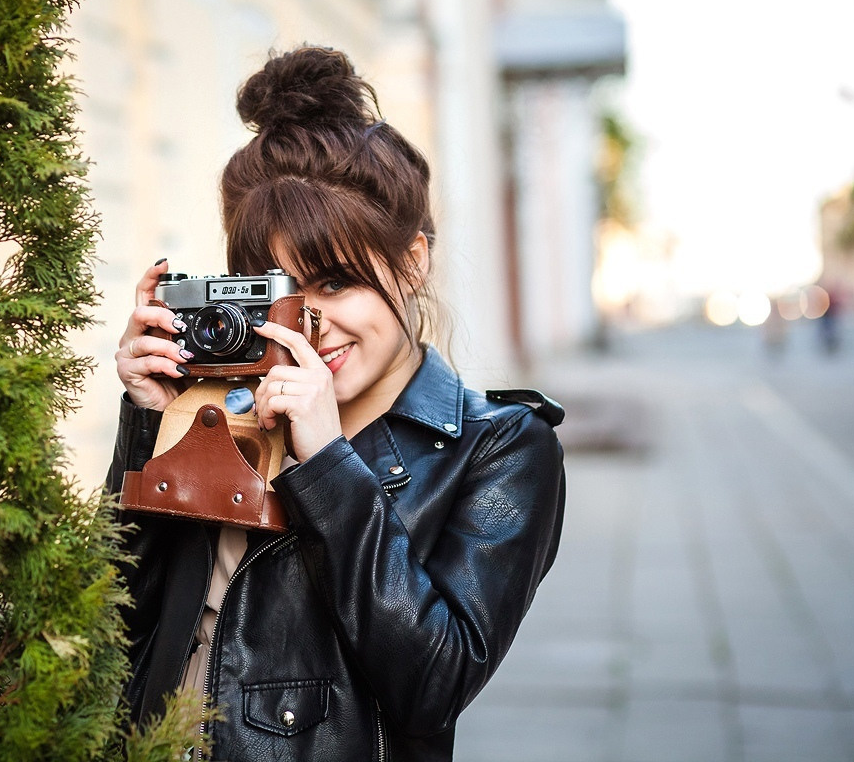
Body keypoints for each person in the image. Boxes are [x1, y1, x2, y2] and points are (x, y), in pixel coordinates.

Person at [107, 46, 565, 761]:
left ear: (412, 263)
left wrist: (325, 461)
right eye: (281, 292)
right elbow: (112, 625)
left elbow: (434, 686)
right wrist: (150, 422)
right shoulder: (217, 410)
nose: (310, 325)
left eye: (335, 284)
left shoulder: (500, 448)